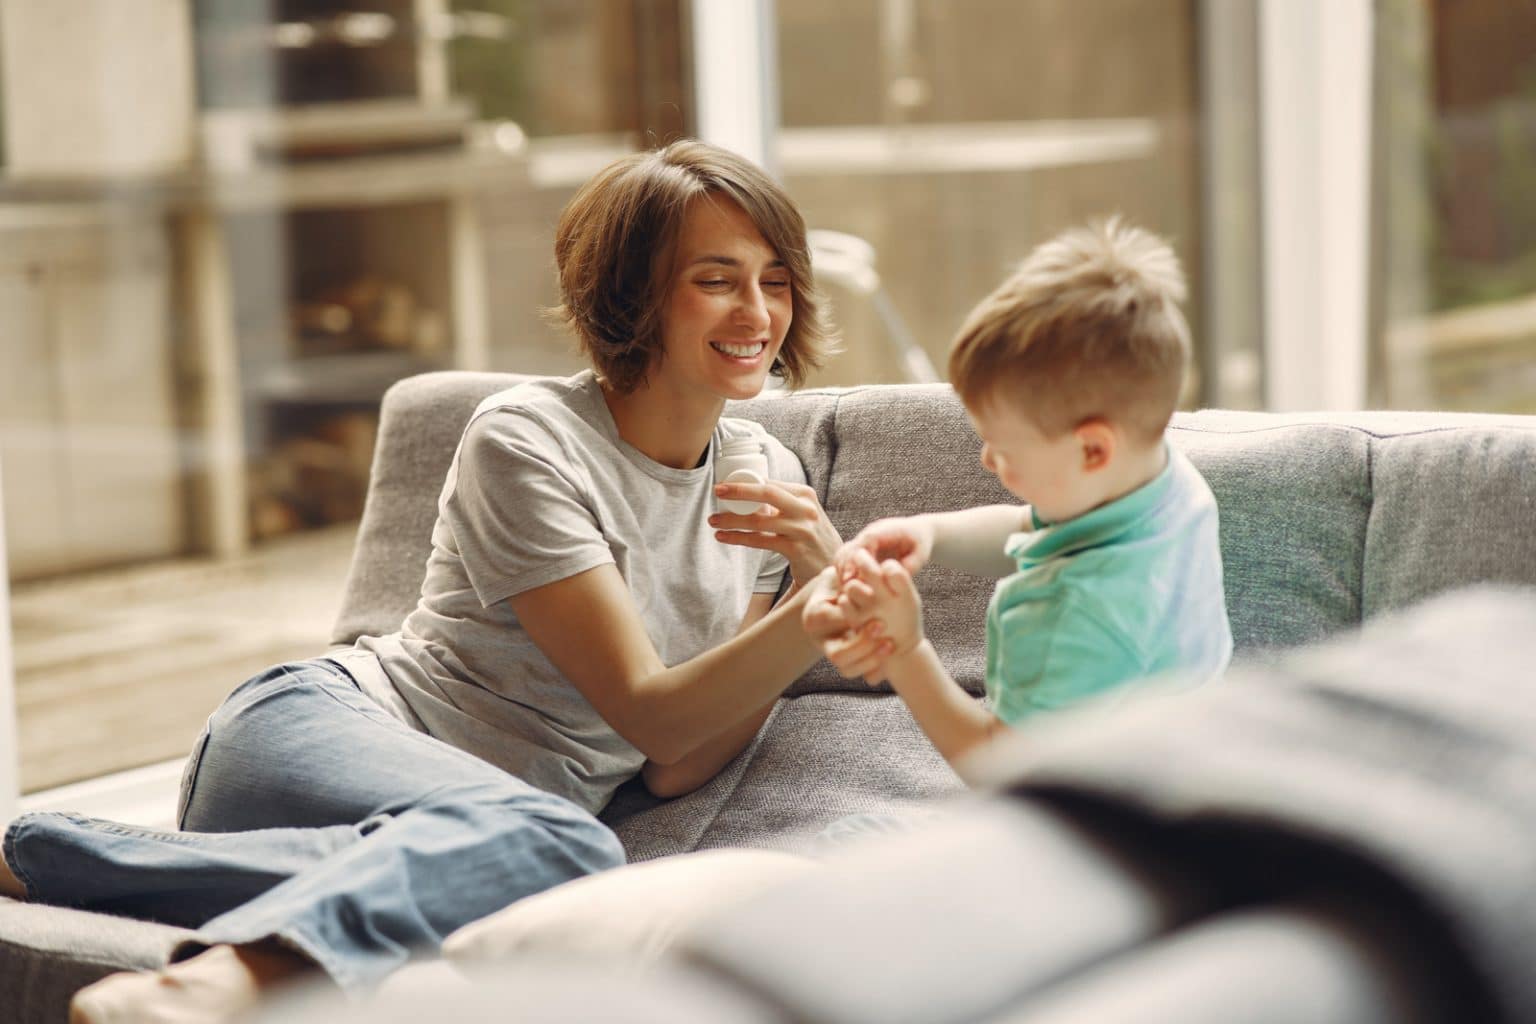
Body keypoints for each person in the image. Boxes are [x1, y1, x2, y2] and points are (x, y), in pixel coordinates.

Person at [0, 138, 844, 1023]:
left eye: (776, 280)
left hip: (468, 838)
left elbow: (677, 765)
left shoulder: (769, 475)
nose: (758, 310)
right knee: (562, 845)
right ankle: (202, 986)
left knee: (547, 861)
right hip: (317, 733)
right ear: (633, 292)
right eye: (717, 279)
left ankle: (39, 855)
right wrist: (816, 604)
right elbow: (651, 712)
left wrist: (800, 595)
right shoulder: (527, 440)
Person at [804, 219, 1232, 770]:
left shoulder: (1073, 610)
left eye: (1004, 447)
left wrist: (905, 652)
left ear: (1093, 450)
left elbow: (996, 769)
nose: (988, 459)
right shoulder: (1166, 487)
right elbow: (1037, 529)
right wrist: (930, 533)